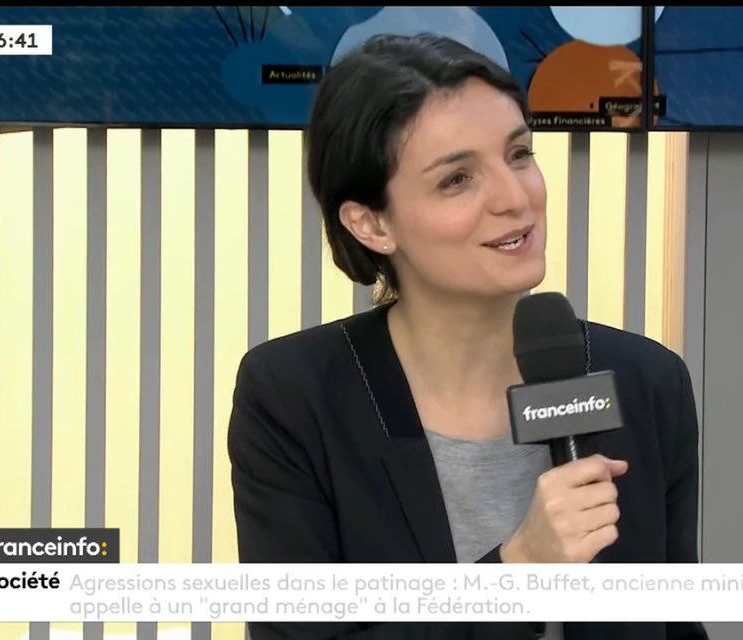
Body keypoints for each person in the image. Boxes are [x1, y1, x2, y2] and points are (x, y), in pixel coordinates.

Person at [227, 33, 708, 640]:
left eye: (519, 154)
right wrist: (518, 571)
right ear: (371, 223)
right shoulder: (296, 397)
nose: (515, 198)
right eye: (457, 179)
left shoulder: (647, 382)